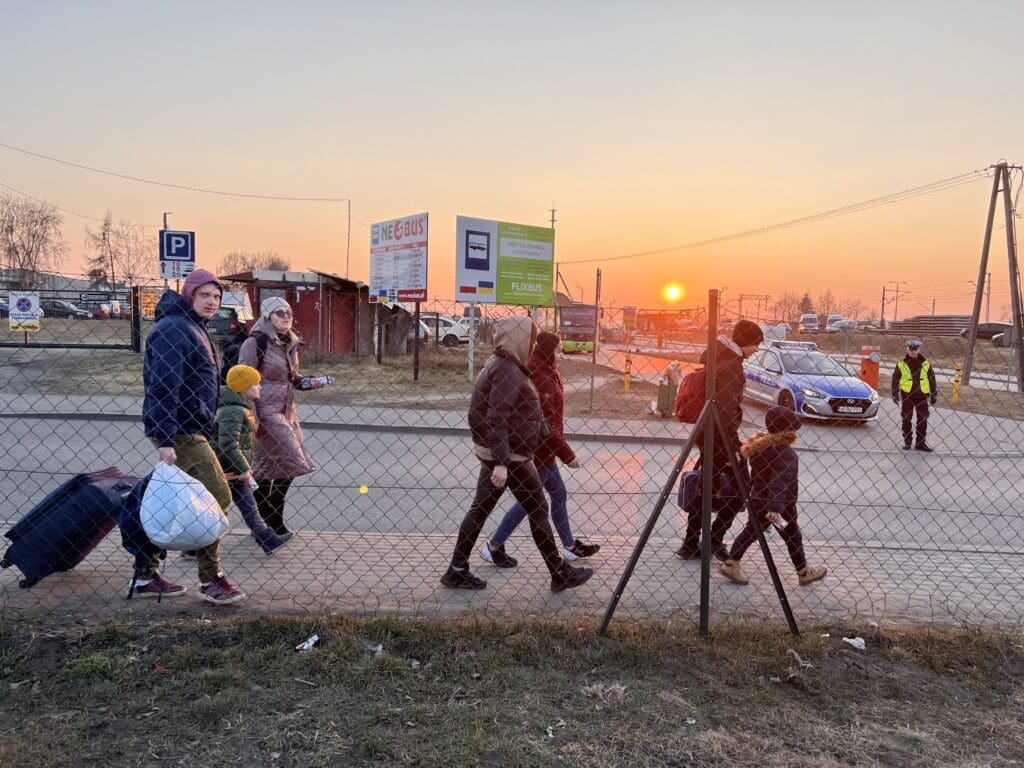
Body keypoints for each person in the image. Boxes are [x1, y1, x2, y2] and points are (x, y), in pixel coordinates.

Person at [441, 316, 594, 593]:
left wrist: (560, 450)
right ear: (519, 339)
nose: (534, 344)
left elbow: (529, 417)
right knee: (538, 510)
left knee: (481, 509)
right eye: (531, 338)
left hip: (500, 453)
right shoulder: (508, 371)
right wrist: (501, 462)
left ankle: (457, 569)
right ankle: (559, 572)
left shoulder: (502, 364)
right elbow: (496, 417)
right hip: (511, 457)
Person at [133, 268, 246, 604]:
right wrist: (166, 438)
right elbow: (163, 386)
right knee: (217, 499)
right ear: (189, 295)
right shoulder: (174, 330)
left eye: (216, 296)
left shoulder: (190, 327)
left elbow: (197, 382)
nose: (212, 302)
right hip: (180, 431)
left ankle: (145, 575)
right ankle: (211, 579)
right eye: (204, 295)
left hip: (191, 427)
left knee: (166, 506)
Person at [480, 331, 600, 567]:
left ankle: (569, 547)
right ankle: (493, 546)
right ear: (547, 351)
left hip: (545, 449)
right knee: (530, 502)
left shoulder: (547, 371)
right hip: (538, 450)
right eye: (558, 350)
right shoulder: (540, 376)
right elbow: (543, 422)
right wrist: (565, 452)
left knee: (557, 494)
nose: (562, 356)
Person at [677, 318, 764, 562]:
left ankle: (691, 543)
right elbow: (725, 411)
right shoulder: (732, 366)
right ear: (746, 342)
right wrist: (734, 447)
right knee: (741, 491)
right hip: (721, 438)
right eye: (756, 344)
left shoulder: (719, 357)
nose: (756, 349)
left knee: (707, 488)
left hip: (706, 435)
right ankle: (714, 540)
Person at [717, 406, 827, 586]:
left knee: (751, 532)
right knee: (792, 537)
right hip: (779, 506)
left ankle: (731, 563)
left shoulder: (762, 448)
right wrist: (775, 508)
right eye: (793, 428)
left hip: (759, 499)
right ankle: (803, 571)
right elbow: (779, 481)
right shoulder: (785, 453)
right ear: (786, 430)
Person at [238, 297, 319, 537]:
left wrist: (307, 382)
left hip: (286, 411)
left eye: (289, 313)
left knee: (271, 468)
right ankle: (271, 520)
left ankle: (265, 524)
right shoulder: (256, 342)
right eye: (279, 312)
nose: (286, 316)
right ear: (267, 317)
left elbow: (290, 377)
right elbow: (242, 378)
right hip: (264, 412)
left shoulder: (289, 343)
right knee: (290, 462)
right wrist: (249, 413)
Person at [215, 364, 293, 554]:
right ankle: (195, 548)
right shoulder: (232, 411)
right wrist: (243, 468)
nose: (260, 387)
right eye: (256, 384)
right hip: (227, 470)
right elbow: (228, 444)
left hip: (234, 470)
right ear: (244, 387)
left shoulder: (242, 408)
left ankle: (267, 540)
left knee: (249, 508)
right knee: (217, 509)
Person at [891, 339, 937, 452]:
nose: (913, 351)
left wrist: (934, 394)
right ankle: (907, 442)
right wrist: (895, 394)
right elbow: (895, 380)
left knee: (922, 420)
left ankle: (920, 444)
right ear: (907, 349)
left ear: (919, 349)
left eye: (915, 349)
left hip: (922, 396)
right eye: (910, 349)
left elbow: (932, 379)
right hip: (907, 395)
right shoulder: (901, 364)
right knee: (906, 419)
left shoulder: (926, 363)